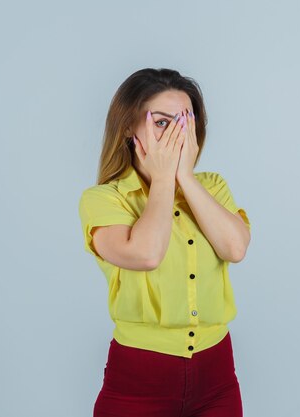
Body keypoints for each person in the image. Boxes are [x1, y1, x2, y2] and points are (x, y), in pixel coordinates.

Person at [78, 68, 252, 417]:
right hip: (138, 385)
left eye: (184, 123)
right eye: (161, 123)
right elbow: (145, 254)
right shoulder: (104, 199)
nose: (175, 135)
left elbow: (235, 248)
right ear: (129, 127)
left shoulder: (211, 186)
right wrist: (161, 180)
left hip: (216, 379)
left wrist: (184, 177)